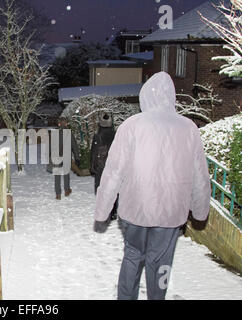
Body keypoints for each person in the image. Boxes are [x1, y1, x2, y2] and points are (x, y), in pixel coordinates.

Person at [94, 71, 211, 300]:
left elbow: (113, 171)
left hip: (135, 209)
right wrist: (200, 210)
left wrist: (103, 209)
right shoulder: (188, 129)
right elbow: (200, 175)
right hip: (171, 212)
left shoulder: (132, 126)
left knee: (132, 257)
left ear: (145, 96)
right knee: (162, 262)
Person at [90, 112, 118, 220]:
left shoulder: (98, 136)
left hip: (101, 167)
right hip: (113, 166)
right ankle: (113, 210)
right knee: (113, 188)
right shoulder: (116, 135)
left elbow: (94, 152)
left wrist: (92, 166)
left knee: (101, 189)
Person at [52, 117, 80, 200]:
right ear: (66, 124)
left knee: (57, 174)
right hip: (66, 156)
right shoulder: (69, 133)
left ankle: (58, 194)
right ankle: (67, 190)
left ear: (59, 124)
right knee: (66, 173)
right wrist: (77, 157)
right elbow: (74, 146)